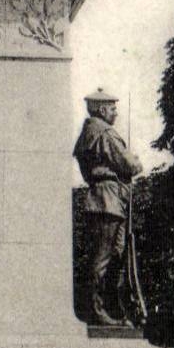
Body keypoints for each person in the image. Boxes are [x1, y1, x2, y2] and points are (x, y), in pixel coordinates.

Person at [72, 88, 143, 325]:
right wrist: (135, 161)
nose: (116, 112)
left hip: (103, 197)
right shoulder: (105, 133)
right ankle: (96, 309)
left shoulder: (88, 133)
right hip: (108, 199)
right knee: (104, 256)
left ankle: (109, 307)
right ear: (102, 110)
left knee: (115, 254)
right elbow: (130, 164)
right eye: (112, 108)